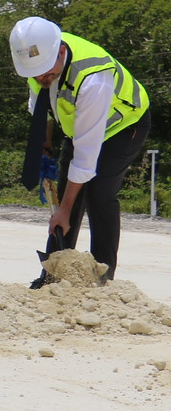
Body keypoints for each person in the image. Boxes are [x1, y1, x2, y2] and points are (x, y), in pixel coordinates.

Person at [10, 16, 150, 285]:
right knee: (66, 197)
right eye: (35, 73)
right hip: (79, 126)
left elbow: (85, 157)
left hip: (123, 126)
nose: (41, 77)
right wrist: (46, 145)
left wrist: (63, 209)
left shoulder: (93, 77)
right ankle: (53, 275)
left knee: (98, 194)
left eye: (47, 72)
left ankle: (101, 276)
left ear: (60, 51)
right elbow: (42, 108)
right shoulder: (37, 63)